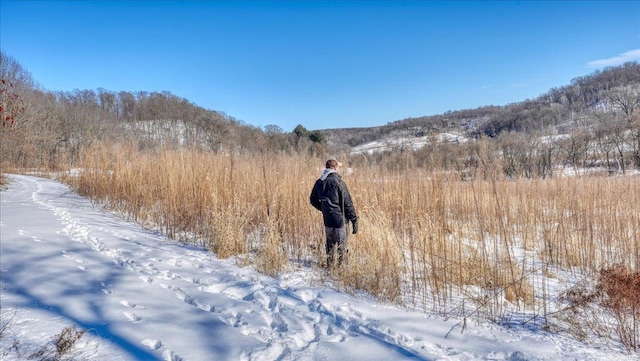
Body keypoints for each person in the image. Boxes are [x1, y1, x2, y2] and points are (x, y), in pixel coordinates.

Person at [309, 157, 358, 267]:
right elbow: (347, 203)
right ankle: (340, 269)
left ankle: (330, 267)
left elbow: (312, 200)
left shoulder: (319, 182)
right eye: (338, 167)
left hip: (327, 219)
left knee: (330, 245)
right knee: (342, 245)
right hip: (340, 220)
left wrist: (324, 209)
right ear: (335, 168)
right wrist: (354, 220)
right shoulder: (339, 182)